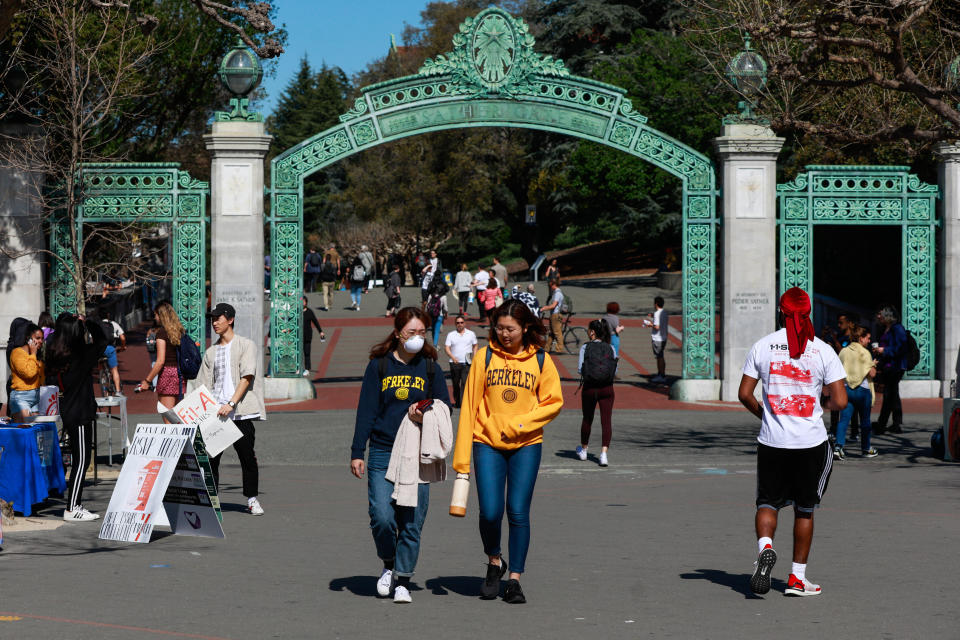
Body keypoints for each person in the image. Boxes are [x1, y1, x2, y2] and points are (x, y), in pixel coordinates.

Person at [738, 287, 847, 597]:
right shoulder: (823, 350)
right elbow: (840, 401)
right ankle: (797, 579)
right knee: (805, 509)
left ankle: (765, 549)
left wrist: (765, 414)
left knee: (767, 503)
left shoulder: (762, 346)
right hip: (810, 443)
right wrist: (818, 404)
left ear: (781, 313)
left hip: (772, 441)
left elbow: (744, 394)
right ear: (808, 314)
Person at [452, 299, 563, 604]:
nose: (504, 334)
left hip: (526, 444)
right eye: (499, 327)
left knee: (517, 510)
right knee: (489, 512)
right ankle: (494, 561)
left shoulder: (541, 360)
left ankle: (514, 579)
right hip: (485, 442)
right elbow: (469, 407)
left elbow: (553, 402)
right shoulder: (483, 357)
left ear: (525, 327)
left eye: (510, 328)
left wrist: (522, 424)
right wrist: (461, 460)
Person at [350, 307, 450, 603]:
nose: (417, 338)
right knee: (381, 516)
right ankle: (388, 564)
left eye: (422, 332)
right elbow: (366, 410)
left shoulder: (430, 367)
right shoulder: (379, 366)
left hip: (417, 453)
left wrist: (425, 413)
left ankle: (404, 580)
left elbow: (445, 406)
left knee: (412, 520)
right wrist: (358, 451)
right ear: (397, 333)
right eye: (412, 332)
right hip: (382, 449)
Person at [198, 303, 267, 516]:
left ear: (230, 319)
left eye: (219, 318)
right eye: (212, 318)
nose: (214, 322)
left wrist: (231, 403)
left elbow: (247, 377)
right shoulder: (211, 352)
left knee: (247, 457)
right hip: (216, 414)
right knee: (211, 460)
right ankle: (211, 499)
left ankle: (252, 499)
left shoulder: (246, 345)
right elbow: (203, 386)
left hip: (240, 412)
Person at [45, 314, 108, 522]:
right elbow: (102, 340)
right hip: (80, 411)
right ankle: (73, 506)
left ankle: (74, 504)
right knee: (81, 460)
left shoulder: (54, 355)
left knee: (79, 458)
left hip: (68, 409)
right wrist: (88, 322)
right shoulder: (80, 357)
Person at [576, 319, 617, 467]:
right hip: (607, 389)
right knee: (606, 421)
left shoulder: (585, 347)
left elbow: (580, 369)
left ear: (592, 332)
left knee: (587, 419)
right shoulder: (610, 348)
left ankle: (584, 450)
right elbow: (615, 370)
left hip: (589, 388)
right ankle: (604, 454)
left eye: (589, 329)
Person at [835, 326, 879, 460]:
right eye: (868, 338)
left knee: (843, 420)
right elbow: (871, 373)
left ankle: (838, 447)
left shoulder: (843, 351)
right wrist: (874, 364)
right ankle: (866, 448)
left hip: (847, 389)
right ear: (861, 338)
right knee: (865, 421)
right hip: (863, 390)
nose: (869, 341)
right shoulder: (864, 352)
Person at [140, 301, 185, 414]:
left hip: (167, 374)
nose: (155, 318)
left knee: (168, 415)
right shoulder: (180, 331)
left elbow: (160, 361)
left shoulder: (162, 333)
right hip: (180, 374)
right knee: (178, 415)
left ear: (161, 316)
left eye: (155, 315)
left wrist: (147, 380)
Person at [873, 305, 907, 435]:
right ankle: (896, 423)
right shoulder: (887, 328)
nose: (878, 316)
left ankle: (882, 423)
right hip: (888, 365)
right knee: (893, 394)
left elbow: (900, 348)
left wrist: (884, 350)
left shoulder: (897, 329)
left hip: (895, 366)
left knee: (888, 394)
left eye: (881, 313)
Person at [8, 323, 44, 421]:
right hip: (21, 397)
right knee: (25, 428)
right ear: (29, 339)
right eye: (37, 338)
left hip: (36, 397)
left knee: (36, 430)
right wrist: (33, 354)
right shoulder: (17, 353)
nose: (41, 341)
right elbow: (29, 373)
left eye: (42, 338)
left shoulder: (37, 355)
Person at [445, 314, 478, 408]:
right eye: (458, 323)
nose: (460, 324)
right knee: (455, 384)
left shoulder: (471, 334)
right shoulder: (451, 334)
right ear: (455, 324)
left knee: (464, 382)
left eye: (461, 322)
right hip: (454, 363)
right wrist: (452, 357)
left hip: (467, 362)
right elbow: (447, 348)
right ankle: (457, 401)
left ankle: (463, 403)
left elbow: (475, 345)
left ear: (465, 323)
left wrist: (474, 356)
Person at [644, 296, 668, 383]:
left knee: (659, 357)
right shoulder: (664, 312)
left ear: (656, 304)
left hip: (657, 338)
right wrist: (652, 315)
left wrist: (649, 325)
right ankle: (662, 374)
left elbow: (657, 327)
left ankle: (661, 375)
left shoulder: (657, 314)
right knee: (661, 356)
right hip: (664, 337)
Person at [302, 296, 325, 377]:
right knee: (297, 353)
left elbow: (315, 322)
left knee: (307, 353)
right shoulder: (296, 312)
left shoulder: (309, 312)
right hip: (298, 336)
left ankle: (307, 369)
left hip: (307, 335)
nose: (302, 303)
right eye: (301, 301)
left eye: (304, 301)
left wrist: (320, 331)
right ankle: (297, 368)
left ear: (306, 302)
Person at [540, 279, 564, 355]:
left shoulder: (557, 294)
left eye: (550, 285)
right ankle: (547, 348)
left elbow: (554, 305)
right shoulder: (557, 293)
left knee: (557, 333)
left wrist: (544, 308)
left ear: (554, 285)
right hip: (554, 314)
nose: (550, 287)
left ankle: (559, 349)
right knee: (551, 333)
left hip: (555, 315)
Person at [319, 245, 340, 311]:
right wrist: (339, 269)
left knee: (325, 294)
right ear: (333, 247)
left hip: (325, 278)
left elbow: (324, 260)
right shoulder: (336, 253)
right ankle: (330, 305)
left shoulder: (326, 252)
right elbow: (338, 261)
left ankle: (326, 305)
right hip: (332, 274)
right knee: (331, 293)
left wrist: (323, 265)